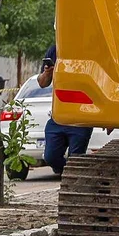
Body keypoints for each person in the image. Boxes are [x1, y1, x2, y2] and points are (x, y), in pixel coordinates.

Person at [37, 45, 93, 176]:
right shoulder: (54, 49)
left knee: (76, 160)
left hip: (82, 118)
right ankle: (69, 173)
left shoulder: (90, 47)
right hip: (58, 117)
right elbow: (42, 83)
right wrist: (47, 73)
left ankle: (73, 177)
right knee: (50, 157)